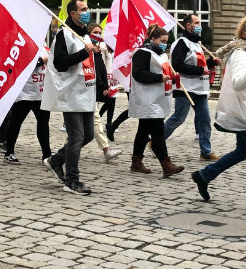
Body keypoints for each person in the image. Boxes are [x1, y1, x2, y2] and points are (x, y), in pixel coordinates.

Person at [190, 16, 246, 213]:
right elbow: (239, 83)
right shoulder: (240, 53)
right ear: (243, 33)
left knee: (243, 151)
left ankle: (204, 175)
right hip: (243, 112)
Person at [41, 0, 97, 195]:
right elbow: (60, 63)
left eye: (87, 9)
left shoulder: (85, 34)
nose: (87, 12)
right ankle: (72, 180)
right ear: (72, 13)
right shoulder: (65, 34)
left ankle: (56, 159)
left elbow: (90, 61)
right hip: (70, 92)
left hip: (86, 91)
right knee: (77, 136)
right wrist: (83, 53)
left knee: (89, 134)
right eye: (83, 9)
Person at [128, 25, 184, 177]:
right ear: (152, 39)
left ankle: (136, 161)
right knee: (158, 132)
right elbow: (138, 74)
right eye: (162, 41)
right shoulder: (142, 53)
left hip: (158, 98)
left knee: (143, 131)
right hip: (147, 98)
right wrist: (159, 78)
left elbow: (164, 72)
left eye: (167, 41)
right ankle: (166, 164)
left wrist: (173, 77)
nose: (165, 44)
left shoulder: (161, 54)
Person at [163, 14, 219, 161]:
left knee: (204, 119)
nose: (200, 25)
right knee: (178, 118)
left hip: (200, 88)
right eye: (197, 22)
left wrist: (212, 63)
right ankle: (156, 141)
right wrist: (201, 71)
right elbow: (177, 65)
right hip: (185, 88)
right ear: (188, 25)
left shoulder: (197, 44)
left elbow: (200, 65)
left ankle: (205, 152)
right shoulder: (182, 42)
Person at [0, 48, 51, 164]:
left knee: (43, 124)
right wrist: (41, 60)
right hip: (24, 94)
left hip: (41, 93)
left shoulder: (44, 48)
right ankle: (9, 152)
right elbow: (21, 65)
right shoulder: (23, 45)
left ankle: (47, 154)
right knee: (15, 123)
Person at [88, 24, 122, 162]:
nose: (97, 34)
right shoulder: (87, 47)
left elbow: (100, 67)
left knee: (89, 121)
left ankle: (64, 150)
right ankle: (106, 149)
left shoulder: (97, 49)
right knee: (94, 120)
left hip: (95, 87)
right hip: (85, 89)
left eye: (99, 32)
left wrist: (104, 84)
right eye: (94, 32)